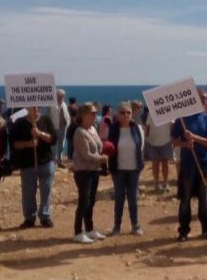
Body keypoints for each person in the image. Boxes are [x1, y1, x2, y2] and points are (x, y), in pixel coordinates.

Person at [172, 89, 207, 242]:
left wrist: (195, 138)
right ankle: (183, 231)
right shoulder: (182, 119)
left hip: (203, 164)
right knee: (185, 199)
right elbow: (173, 140)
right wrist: (185, 143)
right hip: (187, 164)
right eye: (200, 98)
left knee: (204, 199)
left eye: (205, 98)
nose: (203, 101)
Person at [11, 106, 56, 228]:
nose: (35, 109)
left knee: (46, 191)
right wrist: (28, 144)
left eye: (37, 107)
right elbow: (14, 144)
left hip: (46, 162)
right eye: (32, 107)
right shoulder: (20, 123)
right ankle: (29, 218)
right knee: (28, 192)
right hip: (27, 164)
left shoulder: (46, 119)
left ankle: (45, 216)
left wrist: (40, 134)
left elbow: (53, 139)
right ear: (27, 108)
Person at [71, 103, 108, 244]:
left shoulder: (93, 129)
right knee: (83, 201)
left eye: (95, 113)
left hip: (94, 170)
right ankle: (77, 231)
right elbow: (86, 155)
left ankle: (90, 229)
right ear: (84, 115)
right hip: (83, 171)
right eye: (92, 113)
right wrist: (102, 158)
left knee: (91, 201)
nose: (95, 115)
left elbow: (98, 147)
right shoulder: (80, 132)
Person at [108, 102, 146, 236]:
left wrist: (140, 163)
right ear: (118, 115)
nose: (125, 115)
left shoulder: (137, 128)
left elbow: (141, 146)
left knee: (133, 198)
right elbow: (110, 147)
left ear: (131, 114)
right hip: (118, 169)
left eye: (128, 113)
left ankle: (135, 225)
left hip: (134, 169)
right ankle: (116, 227)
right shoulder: (113, 129)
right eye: (122, 113)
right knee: (119, 198)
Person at [145, 107, 174, 194]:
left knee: (165, 163)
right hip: (153, 141)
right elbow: (148, 126)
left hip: (166, 141)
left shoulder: (169, 111)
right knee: (155, 163)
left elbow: (172, 125)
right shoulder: (151, 112)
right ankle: (156, 183)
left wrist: (173, 139)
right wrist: (147, 139)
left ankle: (165, 182)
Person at [50, 89, 71, 169]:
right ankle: (53, 162)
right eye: (61, 96)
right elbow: (49, 116)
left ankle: (60, 161)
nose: (62, 97)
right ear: (56, 96)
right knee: (54, 145)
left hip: (63, 127)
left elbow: (67, 115)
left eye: (63, 96)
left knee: (61, 145)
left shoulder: (64, 104)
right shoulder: (52, 105)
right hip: (54, 127)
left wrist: (68, 123)